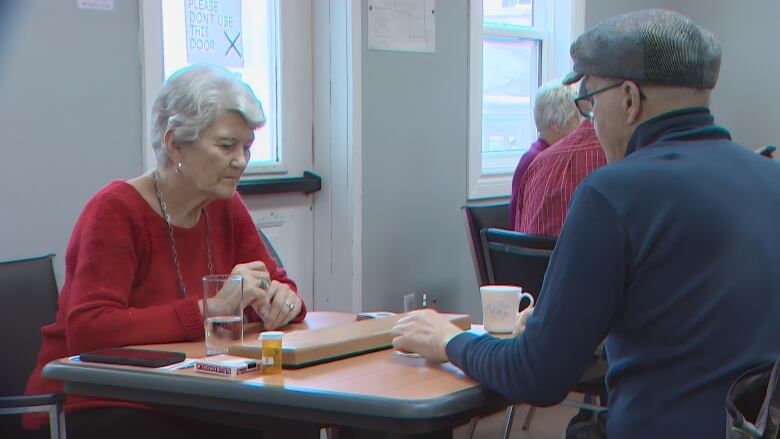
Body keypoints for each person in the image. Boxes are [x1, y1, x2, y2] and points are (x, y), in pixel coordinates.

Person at [392, 9, 780, 439]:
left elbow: (538, 375)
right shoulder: (771, 179)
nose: (590, 120)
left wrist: (448, 340)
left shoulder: (613, 192)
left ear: (629, 99)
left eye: (591, 101)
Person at [24, 64, 307, 438]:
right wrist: (209, 309)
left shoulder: (225, 204)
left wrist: (282, 302)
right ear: (176, 144)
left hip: (189, 393)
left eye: (246, 147)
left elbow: (275, 283)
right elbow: (88, 329)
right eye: (226, 146)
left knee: (291, 423)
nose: (240, 160)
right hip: (97, 400)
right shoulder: (114, 210)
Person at [513, 118, 606, 236]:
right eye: (576, 121)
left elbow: (518, 229)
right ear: (555, 124)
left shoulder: (538, 162)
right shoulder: (611, 155)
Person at [509, 79, 580, 226]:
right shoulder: (540, 162)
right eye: (576, 119)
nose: (580, 126)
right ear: (556, 124)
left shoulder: (532, 157)